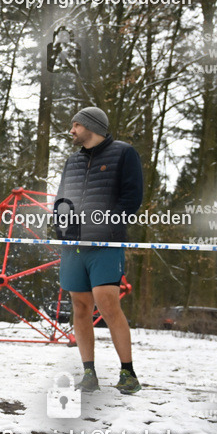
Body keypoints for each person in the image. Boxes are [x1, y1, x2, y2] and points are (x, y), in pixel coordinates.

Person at [53, 106, 144, 394]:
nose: (72, 131)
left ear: (91, 126)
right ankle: (89, 373)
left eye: (76, 125)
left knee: (107, 304)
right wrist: (61, 227)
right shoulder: (72, 161)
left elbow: (132, 198)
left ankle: (128, 373)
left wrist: (106, 227)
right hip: (73, 247)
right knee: (80, 307)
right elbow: (61, 199)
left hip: (105, 244)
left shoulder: (124, 153)